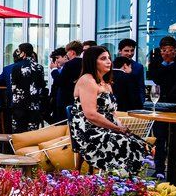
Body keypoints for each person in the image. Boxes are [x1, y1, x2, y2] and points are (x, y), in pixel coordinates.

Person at [69, 46, 146, 175]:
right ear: (93, 61)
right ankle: (119, 179)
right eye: (103, 58)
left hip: (106, 127)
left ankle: (125, 179)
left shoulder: (106, 83)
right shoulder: (87, 80)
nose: (109, 61)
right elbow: (91, 115)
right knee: (127, 144)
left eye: (109, 58)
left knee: (141, 143)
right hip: (89, 130)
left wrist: (121, 127)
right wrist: (117, 128)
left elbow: (112, 113)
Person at [7, 43, 46, 133]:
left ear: (23, 53)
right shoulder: (39, 67)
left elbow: (13, 85)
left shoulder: (16, 67)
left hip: (20, 103)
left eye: (19, 51)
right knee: (32, 131)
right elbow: (41, 85)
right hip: (34, 103)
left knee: (19, 130)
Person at [148, 36, 176, 102]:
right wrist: (165, 62)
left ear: (175, 49)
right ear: (160, 50)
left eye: (170, 50)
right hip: (160, 97)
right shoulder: (155, 63)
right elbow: (156, 79)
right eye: (164, 50)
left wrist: (171, 62)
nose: (167, 53)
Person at [54, 40, 85, 121]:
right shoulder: (85, 63)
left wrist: (54, 70)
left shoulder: (69, 64)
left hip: (65, 98)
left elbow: (60, 81)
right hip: (80, 98)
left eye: (67, 52)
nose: (67, 54)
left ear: (72, 52)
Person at [116, 38, 146, 109]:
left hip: (132, 103)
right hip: (116, 102)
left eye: (132, 50)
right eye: (126, 51)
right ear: (120, 51)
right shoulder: (111, 65)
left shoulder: (138, 67)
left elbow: (141, 87)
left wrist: (141, 104)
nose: (130, 53)